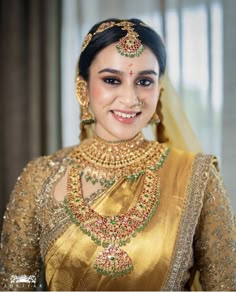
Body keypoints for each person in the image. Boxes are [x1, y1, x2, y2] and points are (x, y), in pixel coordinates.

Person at [0, 17, 235, 291]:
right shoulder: (40, 177)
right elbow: (16, 282)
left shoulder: (197, 176)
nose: (130, 98)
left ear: (159, 92)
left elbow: (225, 285)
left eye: (144, 81)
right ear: (82, 89)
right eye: (112, 80)